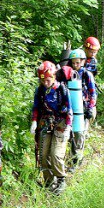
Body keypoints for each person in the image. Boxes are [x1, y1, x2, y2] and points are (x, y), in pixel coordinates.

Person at [29, 60, 72, 194]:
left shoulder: (61, 89)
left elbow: (69, 109)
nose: (46, 83)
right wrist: (34, 121)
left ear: (53, 77)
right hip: (45, 123)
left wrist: (69, 127)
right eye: (43, 80)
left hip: (61, 123)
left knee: (55, 154)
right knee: (43, 154)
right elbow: (36, 107)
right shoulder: (40, 90)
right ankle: (48, 181)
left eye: (48, 80)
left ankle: (60, 179)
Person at [65, 49, 97, 171]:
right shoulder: (69, 74)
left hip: (84, 109)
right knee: (70, 133)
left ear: (83, 62)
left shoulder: (87, 75)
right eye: (73, 63)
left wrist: (90, 108)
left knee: (79, 134)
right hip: (72, 108)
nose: (75, 65)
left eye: (77, 63)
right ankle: (70, 157)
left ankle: (76, 160)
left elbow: (93, 93)